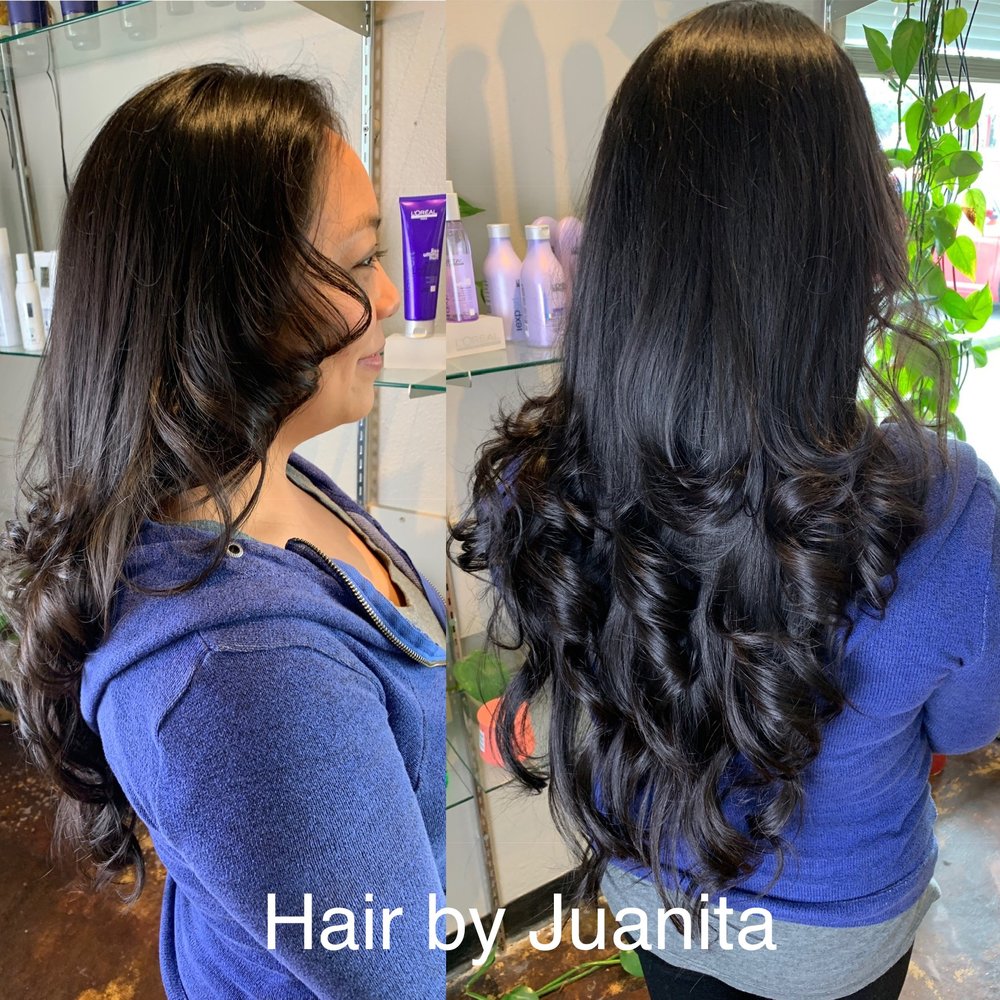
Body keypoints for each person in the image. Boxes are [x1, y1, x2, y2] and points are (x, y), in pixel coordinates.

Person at [451, 3, 1000, 999]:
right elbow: (966, 727)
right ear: (852, 240)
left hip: (654, 895)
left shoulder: (553, 477)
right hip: (843, 934)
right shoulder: (948, 506)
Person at [0, 64, 446, 999]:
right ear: (228, 300)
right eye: (360, 260)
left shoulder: (263, 478)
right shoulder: (240, 675)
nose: (390, 295)